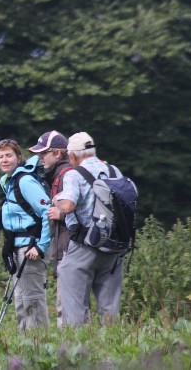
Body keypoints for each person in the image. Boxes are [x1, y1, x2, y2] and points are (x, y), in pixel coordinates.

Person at [53, 132, 124, 327]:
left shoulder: (74, 174)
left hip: (83, 246)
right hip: (113, 247)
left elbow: (68, 205)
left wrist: (56, 200)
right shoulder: (114, 171)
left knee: (74, 308)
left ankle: (77, 344)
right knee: (110, 309)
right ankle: (112, 342)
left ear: (73, 155)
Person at [0, 139, 51, 331]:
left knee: (32, 300)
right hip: (19, 247)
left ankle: (41, 343)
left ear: (19, 157)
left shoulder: (25, 181)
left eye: (8, 155)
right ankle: (26, 344)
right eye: (1, 157)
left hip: (31, 248)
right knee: (20, 301)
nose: (4, 160)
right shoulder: (9, 182)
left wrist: (41, 246)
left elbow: (47, 212)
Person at [28, 130, 74, 328]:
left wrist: (61, 215)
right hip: (66, 248)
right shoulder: (56, 175)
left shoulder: (66, 176)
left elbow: (82, 211)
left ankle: (71, 345)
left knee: (68, 307)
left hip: (70, 249)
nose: (40, 158)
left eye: (43, 153)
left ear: (57, 153)